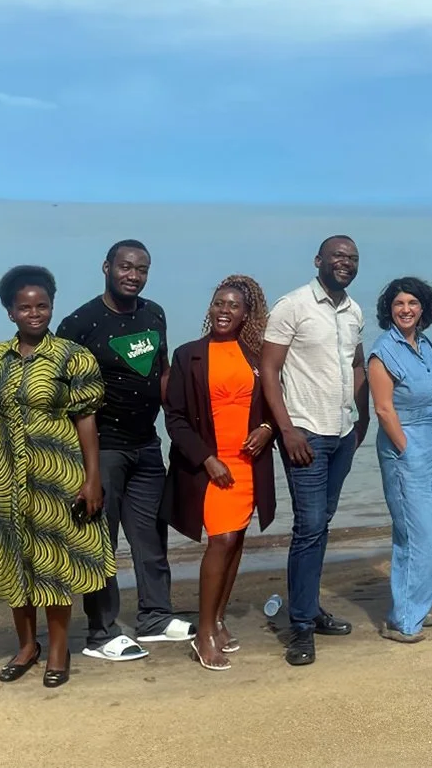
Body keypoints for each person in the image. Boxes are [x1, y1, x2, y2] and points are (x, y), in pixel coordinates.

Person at [0, 266, 114, 689]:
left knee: (54, 563)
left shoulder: (72, 357)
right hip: (2, 477)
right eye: (25, 307)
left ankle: (58, 649)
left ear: (52, 306)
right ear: (10, 313)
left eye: (42, 305)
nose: (35, 313)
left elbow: (87, 420)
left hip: (57, 476)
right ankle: (27, 646)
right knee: (12, 561)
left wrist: (93, 478)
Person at [56, 240, 193, 663]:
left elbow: (163, 370)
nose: (133, 275)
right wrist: (83, 469)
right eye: (125, 267)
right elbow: (61, 397)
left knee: (150, 536)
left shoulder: (153, 313)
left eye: (141, 269)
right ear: (106, 267)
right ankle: (100, 632)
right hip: (103, 449)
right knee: (101, 540)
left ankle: (154, 617)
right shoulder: (80, 324)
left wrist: (187, 417)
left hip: (146, 444)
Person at [260, 236, 370, 667]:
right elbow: (269, 369)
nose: (346, 263)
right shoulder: (293, 305)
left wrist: (361, 419)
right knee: (308, 527)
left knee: (321, 524)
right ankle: (301, 626)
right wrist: (285, 430)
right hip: (305, 434)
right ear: (319, 260)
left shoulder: (353, 310)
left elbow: (357, 364)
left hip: (341, 434)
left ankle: (310, 608)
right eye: (338, 256)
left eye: (353, 259)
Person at [161, 276, 277, 671]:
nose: (224, 311)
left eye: (233, 306)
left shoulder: (257, 355)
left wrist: (267, 430)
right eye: (218, 304)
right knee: (222, 538)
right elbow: (174, 419)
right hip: (211, 464)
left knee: (236, 538)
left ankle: (219, 620)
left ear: (247, 314)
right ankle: (203, 632)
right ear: (210, 308)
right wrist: (207, 459)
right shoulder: (188, 354)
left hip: (248, 463)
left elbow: (276, 407)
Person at [368, 277, 432, 644]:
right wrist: (405, 448)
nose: (405, 309)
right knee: (421, 536)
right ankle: (405, 618)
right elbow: (383, 409)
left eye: (412, 303)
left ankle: (412, 607)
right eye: (399, 303)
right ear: (389, 309)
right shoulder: (383, 351)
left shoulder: (426, 344)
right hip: (406, 448)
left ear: (423, 309)